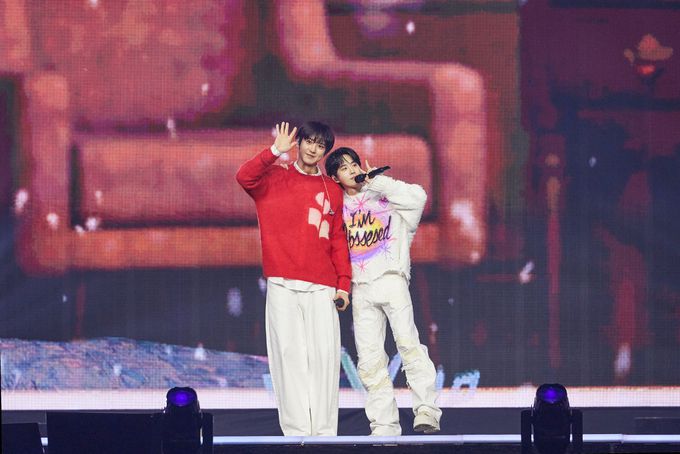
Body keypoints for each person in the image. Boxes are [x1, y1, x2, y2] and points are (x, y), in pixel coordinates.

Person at [236, 122, 351, 436]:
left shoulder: (332, 190)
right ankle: (297, 435)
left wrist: (343, 284)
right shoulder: (274, 177)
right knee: (288, 360)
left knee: (324, 361)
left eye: (320, 145)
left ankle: (324, 436)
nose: (313, 149)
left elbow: (338, 240)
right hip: (282, 283)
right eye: (309, 142)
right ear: (298, 143)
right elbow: (244, 177)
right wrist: (275, 150)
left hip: (322, 286)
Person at [325, 146, 441, 436]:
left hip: (391, 280)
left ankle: (426, 410)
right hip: (360, 288)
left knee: (408, 344)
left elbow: (419, 197)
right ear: (335, 178)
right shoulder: (336, 206)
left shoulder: (384, 195)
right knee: (369, 359)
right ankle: (384, 425)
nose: (352, 170)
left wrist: (378, 181)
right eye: (344, 168)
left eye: (354, 164)